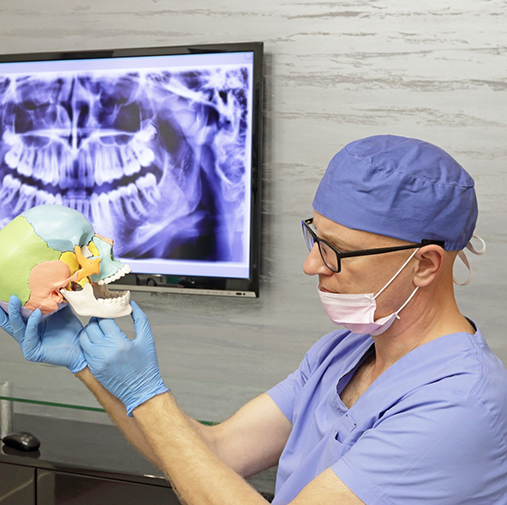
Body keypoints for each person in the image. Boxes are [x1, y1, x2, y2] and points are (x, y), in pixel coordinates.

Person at [2, 134, 507, 505]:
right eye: (316, 237)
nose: (312, 264)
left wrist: (146, 393)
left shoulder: (460, 406)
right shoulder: (343, 353)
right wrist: (90, 366)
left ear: (424, 264)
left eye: (338, 252)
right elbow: (214, 454)